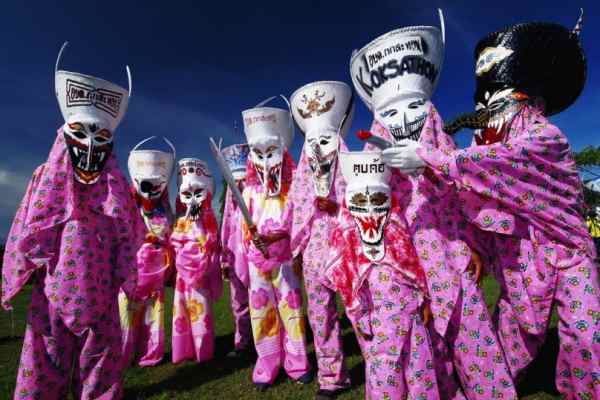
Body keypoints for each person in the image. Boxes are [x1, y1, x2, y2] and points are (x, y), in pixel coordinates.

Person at [385, 12, 600, 399]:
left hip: (568, 252)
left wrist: (429, 156)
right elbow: (466, 186)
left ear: (529, 100)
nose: (487, 109)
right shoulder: (483, 145)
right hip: (521, 256)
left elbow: (490, 164)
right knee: (518, 332)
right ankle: (494, 387)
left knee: (586, 334)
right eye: (483, 102)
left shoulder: (544, 137)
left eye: (496, 101)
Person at [350, 11, 517, 399]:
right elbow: (363, 220)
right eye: (390, 113)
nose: (404, 119)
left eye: (413, 107)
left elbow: (468, 196)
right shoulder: (372, 172)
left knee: (473, 340)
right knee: (427, 353)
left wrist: (474, 245)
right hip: (407, 274)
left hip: (454, 261)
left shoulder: (449, 156)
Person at [2, 43, 140, 400]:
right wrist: (19, 272)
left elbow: (129, 237)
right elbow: (25, 228)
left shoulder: (117, 189)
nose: (92, 144)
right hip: (51, 297)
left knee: (100, 377)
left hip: (103, 300)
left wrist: (130, 281)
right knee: (43, 371)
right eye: (81, 133)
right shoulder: (44, 179)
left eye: (103, 137)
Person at [323, 151, 440, 400]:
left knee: (419, 371)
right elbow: (349, 285)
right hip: (376, 328)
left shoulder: (399, 234)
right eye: (360, 202)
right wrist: (358, 315)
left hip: (411, 321)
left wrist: (423, 299)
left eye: (377, 201)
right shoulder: (349, 245)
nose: (369, 211)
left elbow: (413, 271)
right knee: (385, 374)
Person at [289, 81, 354, 399]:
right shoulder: (301, 184)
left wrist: (339, 204)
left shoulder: (354, 173)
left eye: (325, 140)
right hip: (314, 258)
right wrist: (297, 255)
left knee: (359, 311)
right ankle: (332, 378)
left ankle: (380, 363)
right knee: (321, 318)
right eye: (311, 142)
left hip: (348, 252)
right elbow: (296, 215)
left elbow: (368, 202)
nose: (317, 148)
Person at [241, 100, 312, 390]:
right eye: (258, 154)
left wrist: (283, 238)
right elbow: (239, 230)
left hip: (286, 261)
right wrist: (250, 239)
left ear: (283, 154)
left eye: (271, 153)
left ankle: (297, 363)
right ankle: (267, 365)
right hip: (256, 262)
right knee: (262, 312)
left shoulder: (295, 189)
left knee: (292, 309)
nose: (266, 161)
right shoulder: (246, 192)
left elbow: (301, 222)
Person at [119, 137, 176, 367]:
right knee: (126, 314)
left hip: (156, 272)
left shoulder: (165, 211)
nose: (151, 191)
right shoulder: (127, 208)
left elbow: (170, 234)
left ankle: (151, 354)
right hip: (131, 273)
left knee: (153, 316)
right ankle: (123, 354)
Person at [170, 158, 223, 363]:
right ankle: (185, 350)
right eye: (187, 194)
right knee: (182, 313)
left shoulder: (209, 222)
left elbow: (212, 245)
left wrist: (205, 262)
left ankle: (203, 350)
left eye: (198, 194)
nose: (192, 200)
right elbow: (175, 243)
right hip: (183, 278)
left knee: (201, 312)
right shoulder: (181, 221)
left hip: (201, 276)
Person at [220, 143, 253, 359]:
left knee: (261, 299)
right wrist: (224, 260)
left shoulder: (255, 200)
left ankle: (266, 340)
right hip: (234, 257)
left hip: (254, 258)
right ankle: (242, 342)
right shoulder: (229, 207)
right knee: (238, 302)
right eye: (235, 182)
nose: (238, 185)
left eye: (242, 180)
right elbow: (225, 229)